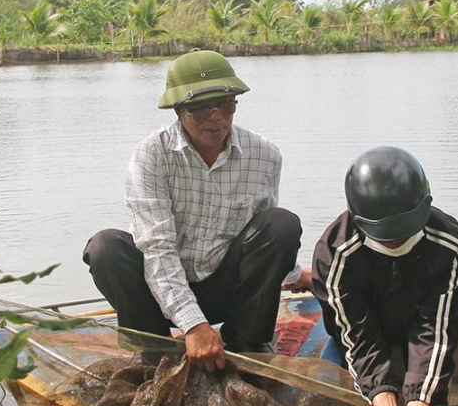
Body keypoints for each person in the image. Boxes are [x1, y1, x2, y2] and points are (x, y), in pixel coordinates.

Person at [83, 49, 306, 372]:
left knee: (282, 223)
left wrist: (298, 275)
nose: (215, 117)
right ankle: (155, 348)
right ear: (178, 110)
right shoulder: (152, 155)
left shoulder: (265, 155)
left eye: (225, 104)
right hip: (160, 293)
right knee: (105, 248)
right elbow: (157, 247)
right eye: (200, 109)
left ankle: (246, 340)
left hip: (224, 288)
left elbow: (263, 237)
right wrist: (193, 326)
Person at [310, 146, 458, 406]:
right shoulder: (334, 256)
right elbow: (357, 335)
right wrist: (383, 400)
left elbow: (434, 328)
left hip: (417, 324)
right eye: (388, 235)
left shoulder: (450, 243)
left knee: (428, 405)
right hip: (362, 331)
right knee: (345, 396)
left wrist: (419, 404)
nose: (397, 240)